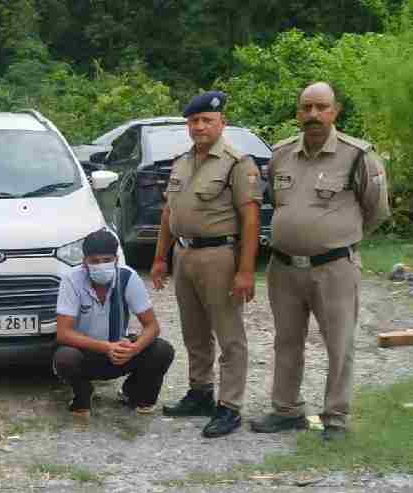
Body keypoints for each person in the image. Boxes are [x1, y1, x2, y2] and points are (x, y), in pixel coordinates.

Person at [250, 82, 390, 441]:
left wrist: (337, 239)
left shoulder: (357, 156)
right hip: (284, 268)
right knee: (286, 341)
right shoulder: (281, 154)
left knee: (339, 344)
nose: (313, 114)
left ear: (335, 111)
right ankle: (286, 410)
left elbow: (375, 210)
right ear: (298, 112)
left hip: (334, 269)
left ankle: (336, 418)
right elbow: (277, 201)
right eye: (306, 107)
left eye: (321, 107)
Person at [151, 91, 262, 438]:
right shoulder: (182, 162)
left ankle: (229, 406)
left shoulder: (237, 163)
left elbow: (251, 219)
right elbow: (169, 213)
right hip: (184, 255)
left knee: (229, 335)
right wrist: (160, 257)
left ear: (221, 123)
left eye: (206, 120)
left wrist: (246, 271)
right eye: (194, 121)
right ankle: (200, 392)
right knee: (194, 331)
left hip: (219, 257)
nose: (199, 127)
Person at [53, 229, 174, 417]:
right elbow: (63, 333)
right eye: (94, 261)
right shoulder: (72, 280)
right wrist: (105, 347)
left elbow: (152, 326)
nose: (101, 265)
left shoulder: (128, 277)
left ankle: (134, 393)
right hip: (86, 353)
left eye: (106, 260)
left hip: (120, 352)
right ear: (84, 262)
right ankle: (82, 394)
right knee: (65, 358)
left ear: (116, 260)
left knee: (162, 350)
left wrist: (134, 349)